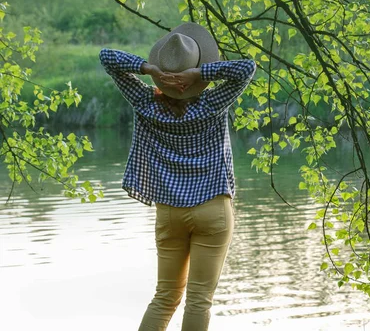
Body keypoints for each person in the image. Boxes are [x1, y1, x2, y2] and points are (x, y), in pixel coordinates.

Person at [98, 22, 256, 331]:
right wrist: (201, 74)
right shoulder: (212, 104)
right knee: (199, 300)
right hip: (212, 208)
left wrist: (148, 69)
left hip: (169, 213)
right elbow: (246, 68)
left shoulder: (145, 104)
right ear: (194, 71)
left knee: (165, 297)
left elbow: (107, 57)